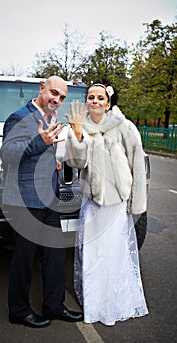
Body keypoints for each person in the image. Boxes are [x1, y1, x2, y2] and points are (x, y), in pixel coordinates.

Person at [0, 76, 83, 328]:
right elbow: (7, 154)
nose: (56, 100)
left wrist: (54, 164)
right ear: (42, 89)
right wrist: (41, 142)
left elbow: (40, 156)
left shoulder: (51, 120)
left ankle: (54, 306)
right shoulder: (19, 117)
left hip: (49, 199)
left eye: (61, 97)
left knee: (55, 257)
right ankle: (18, 310)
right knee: (24, 260)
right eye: (53, 93)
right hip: (24, 201)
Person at [65, 83, 149, 326]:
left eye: (100, 97)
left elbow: (137, 166)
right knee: (92, 256)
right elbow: (76, 162)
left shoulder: (124, 126)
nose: (95, 101)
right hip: (93, 204)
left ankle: (114, 303)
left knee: (113, 255)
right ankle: (94, 307)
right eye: (91, 97)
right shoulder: (81, 127)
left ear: (108, 102)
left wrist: (135, 204)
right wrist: (78, 135)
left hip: (116, 203)